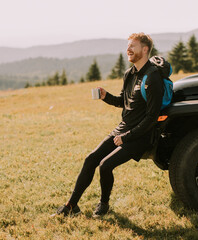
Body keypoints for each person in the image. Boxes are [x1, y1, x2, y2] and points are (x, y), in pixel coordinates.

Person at [53, 32, 164, 217]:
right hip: (123, 129)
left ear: (145, 50)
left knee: (105, 165)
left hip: (141, 135)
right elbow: (124, 101)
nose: (128, 49)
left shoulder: (153, 78)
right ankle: (72, 206)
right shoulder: (130, 73)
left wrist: (126, 137)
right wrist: (106, 97)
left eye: (133, 46)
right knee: (91, 159)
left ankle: (103, 205)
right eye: (127, 45)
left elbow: (152, 118)